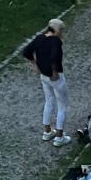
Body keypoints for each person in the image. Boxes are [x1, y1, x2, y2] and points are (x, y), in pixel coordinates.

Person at [23, 19, 72, 147]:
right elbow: (55, 56)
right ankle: (59, 137)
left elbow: (26, 51)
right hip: (55, 77)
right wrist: (55, 71)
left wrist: (35, 65)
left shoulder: (39, 38)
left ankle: (47, 131)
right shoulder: (56, 41)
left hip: (43, 76)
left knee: (49, 101)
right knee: (63, 105)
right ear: (58, 30)